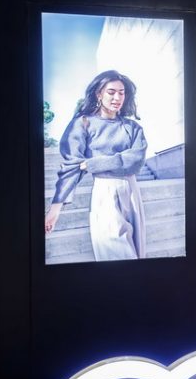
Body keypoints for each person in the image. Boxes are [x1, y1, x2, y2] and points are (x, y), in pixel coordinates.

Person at [45, 70, 148, 260]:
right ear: (98, 94)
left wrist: (94, 163)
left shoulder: (133, 128)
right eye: (111, 92)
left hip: (132, 191)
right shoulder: (83, 124)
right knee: (117, 253)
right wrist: (56, 208)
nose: (117, 97)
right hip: (105, 191)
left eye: (122, 92)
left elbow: (136, 160)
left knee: (137, 253)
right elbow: (72, 165)